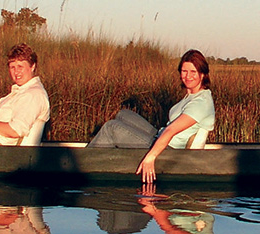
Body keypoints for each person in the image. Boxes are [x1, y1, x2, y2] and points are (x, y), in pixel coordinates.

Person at [87, 49, 215, 185]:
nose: (188, 76)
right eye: (184, 71)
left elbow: (171, 130)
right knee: (123, 114)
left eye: (193, 72)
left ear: (202, 74)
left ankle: (85, 162)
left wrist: (150, 157)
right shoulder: (192, 95)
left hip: (169, 150)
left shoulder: (201, 103)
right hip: (159, 136)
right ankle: (101, 154)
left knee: (111, 128)